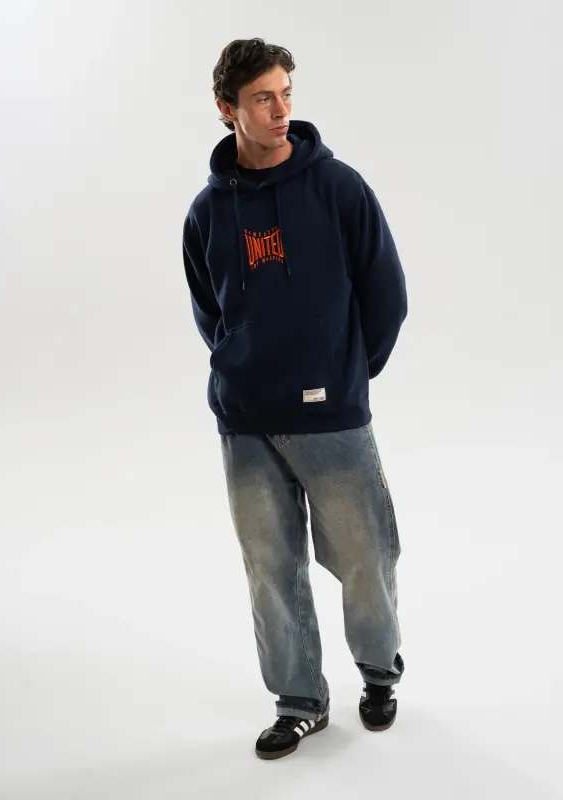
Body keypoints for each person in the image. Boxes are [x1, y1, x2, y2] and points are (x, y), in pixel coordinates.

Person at [182, 38, 408, 760]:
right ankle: (300, 701)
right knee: (270, 571)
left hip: (330, 412)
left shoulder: (338, 187)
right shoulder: (206, 212)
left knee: (364, 555)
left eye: (286, 94)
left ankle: (379, 671)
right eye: (263, 98)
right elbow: (210, 312)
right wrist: (241, 371)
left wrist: (345, 373)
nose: (280, 110)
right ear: (228, 109)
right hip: (246, 421)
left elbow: (386, 294)